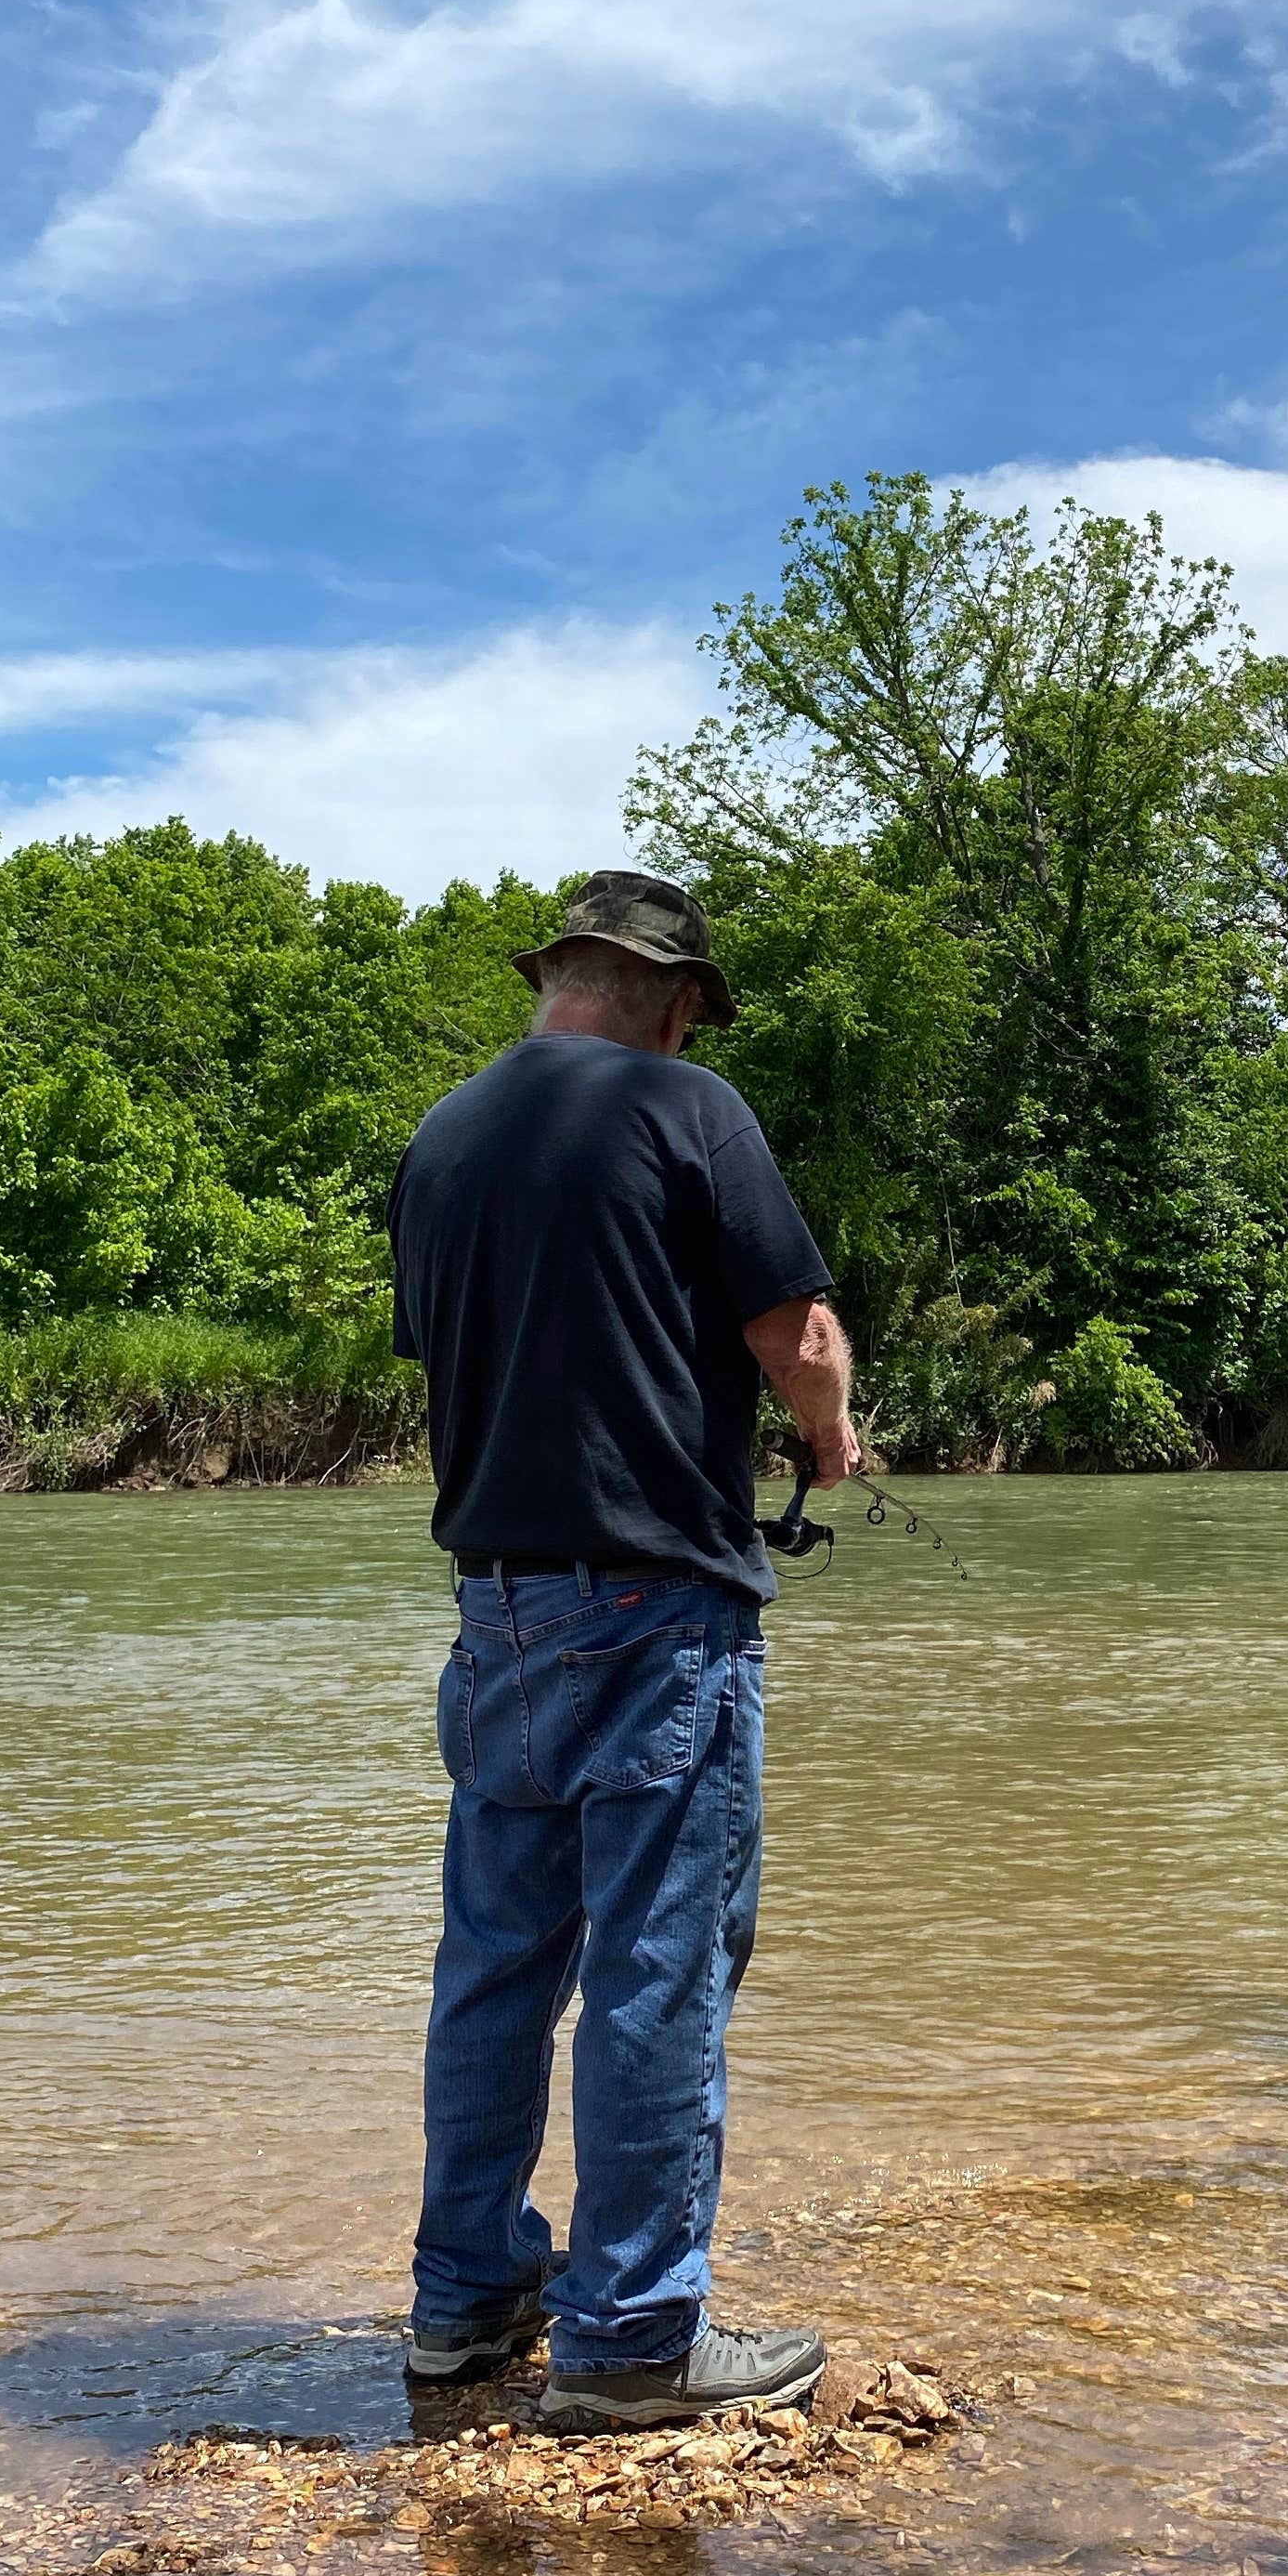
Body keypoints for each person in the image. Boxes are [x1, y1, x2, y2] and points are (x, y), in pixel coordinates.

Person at [384, 868, 861, 2428]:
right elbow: (798, 1338)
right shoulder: (688, 1108)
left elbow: (480, 1351)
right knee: (663, 1966)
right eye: (692, 1013)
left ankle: (465, 2303)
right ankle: (637, 2337)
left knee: (496, 1966)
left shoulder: (443, 1139)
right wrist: (832, 1435)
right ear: (671, 1002)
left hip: (496, 1611)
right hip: (658, 1611)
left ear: (556, 979)